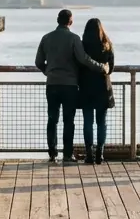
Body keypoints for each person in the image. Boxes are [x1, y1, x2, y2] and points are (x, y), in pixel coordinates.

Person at [35, 9, 107, 164]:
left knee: (52, 119)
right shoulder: (74, 39)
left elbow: (38, 62)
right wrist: (100, 67)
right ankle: (67, 154)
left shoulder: (46, 38)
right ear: (71, 21)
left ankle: (52, 153)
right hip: (70, 85)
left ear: (57, 20)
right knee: (69, 120)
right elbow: (84, 59)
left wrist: (48, 71)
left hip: (52, 84)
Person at [79, 18, 116, 165]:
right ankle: (100, 154)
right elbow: (111, 68)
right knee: (102, 122)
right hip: (102, 86)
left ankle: (89, 154)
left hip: (86, 87)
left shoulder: (82, 46)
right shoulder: (107, 45)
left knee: (88, 121)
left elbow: (79, 65)